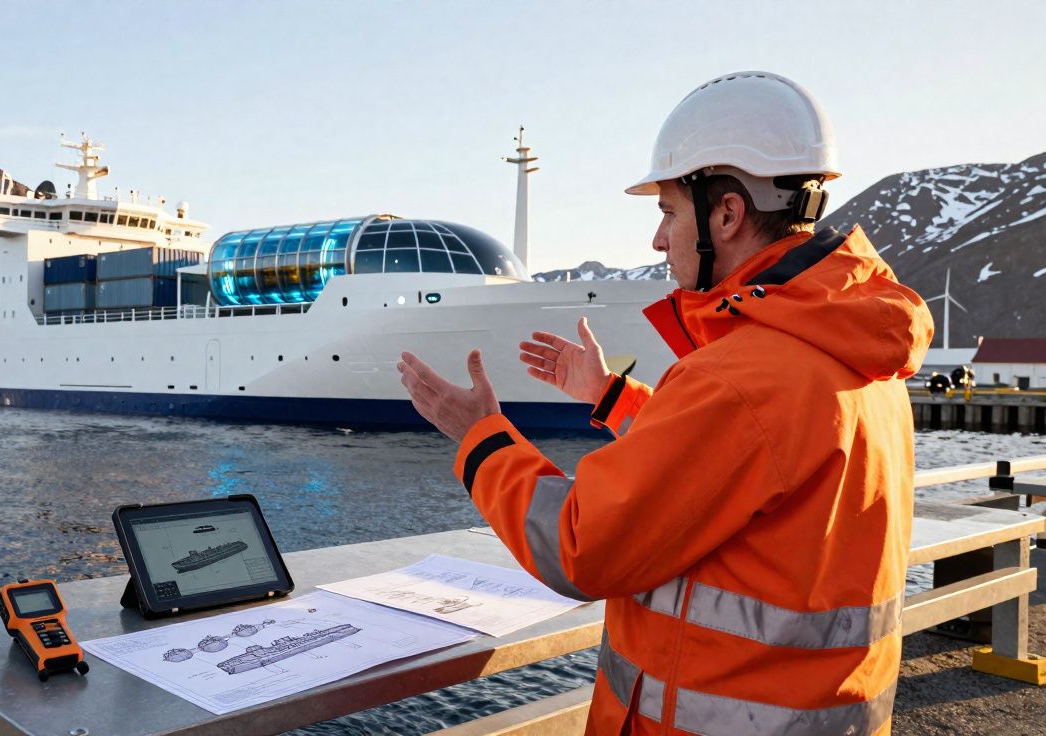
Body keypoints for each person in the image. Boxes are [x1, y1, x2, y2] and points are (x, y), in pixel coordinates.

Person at [398, 71, 934, 735]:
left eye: (669, 212)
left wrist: (478, 435)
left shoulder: (744, 374)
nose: (658, 240)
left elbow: (580, 546)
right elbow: (742, 461)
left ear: (727, 214)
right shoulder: (858, 351)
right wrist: (610, 395)